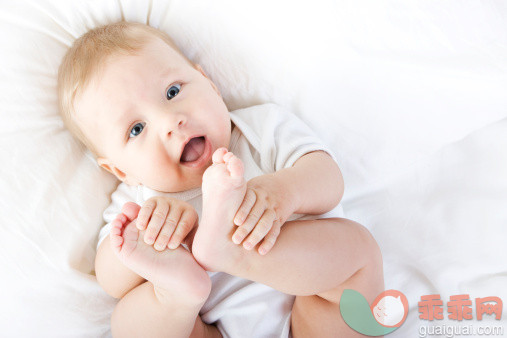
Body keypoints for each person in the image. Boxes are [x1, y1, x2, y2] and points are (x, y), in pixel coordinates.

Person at [57, 21, 384, 337]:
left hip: (313, 311)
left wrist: (284, 191)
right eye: (136, 129)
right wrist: (140, 240)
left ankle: (234, 254)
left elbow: (329, 179)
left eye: (172, 92)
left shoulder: (260, 130)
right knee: (128, 320)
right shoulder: (140, 203)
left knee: (358, 251)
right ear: (120, 170)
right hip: (215, 330)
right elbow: (111, 280)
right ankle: (178, 295)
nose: (171, 121)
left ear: (209, 83)